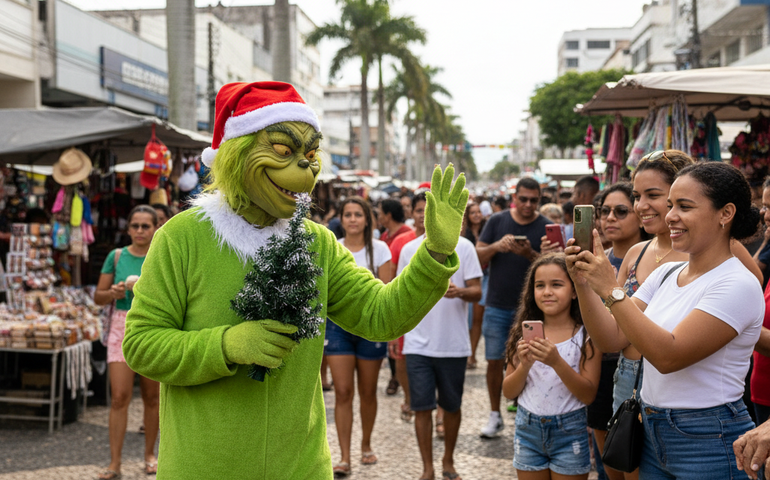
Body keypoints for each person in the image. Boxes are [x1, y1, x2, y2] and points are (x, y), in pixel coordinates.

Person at [122, 80, 469, 479]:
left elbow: (381, 316)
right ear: (236, 154)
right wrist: (226, 345)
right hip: (204, 468)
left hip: (301, 468)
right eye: (284, 151)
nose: (306, 166)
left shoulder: (317, 242)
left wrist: (435, 253)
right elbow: (142, 345)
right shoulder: (182, 237)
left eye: (310, 153)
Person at [566, 161, 764, 479]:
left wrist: (610, 289)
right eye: (670, 205)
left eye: (684, 206)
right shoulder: (666, 273)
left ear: (725, 213)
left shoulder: (737, 283)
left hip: (708, 437)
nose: (670, 216)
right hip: (653, 429)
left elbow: (668, 356)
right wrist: (583, 282)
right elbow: (611, 338)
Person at [398, 200, 482, 480]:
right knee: (421, 407)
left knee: (452, 406)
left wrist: (460, 292)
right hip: (417, 344)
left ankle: (448, 460)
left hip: (453, 345)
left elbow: (477, 292)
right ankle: (428, 468)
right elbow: (399, 296)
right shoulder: (410, 249)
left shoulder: (465, 247)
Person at [502, 253, 601, 480]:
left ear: (574, 291)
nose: (547, 292)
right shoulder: (522, 334)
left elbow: (588, 395)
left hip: (570, 430)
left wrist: (556, 362)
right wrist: (524, 366)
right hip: (527, 429)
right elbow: (508, 392)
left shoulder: (586, 335)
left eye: (556, 284)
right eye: (540, 285)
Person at [476, 177, 550, 438]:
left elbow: (553, 267)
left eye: (534, 200)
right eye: (524, 199)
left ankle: (527, 412)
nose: (528, 204)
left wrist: (529, 254)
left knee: (533, 362)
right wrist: (498, 246)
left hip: (533, 310)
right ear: (514, 198)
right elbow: (477, 254)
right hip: (497, 304)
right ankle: (494, 414)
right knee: (494, 361)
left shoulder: (545, 225)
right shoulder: (497, 221)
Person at [325, 196, 393, 477]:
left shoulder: (380, 249)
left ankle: (365, 444)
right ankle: (344, 456)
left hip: (370, 328)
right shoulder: (332, 247)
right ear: (341, 219)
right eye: (347, 214)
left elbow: (386, 292)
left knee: (367, 391)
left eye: (358, 214)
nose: (352, 219)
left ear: (367, 219)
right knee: (342, 392)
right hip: (337, 328)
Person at [94, 205, 160, 479]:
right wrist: (112, 292)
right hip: (121, 326)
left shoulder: (161, 254)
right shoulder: (116, 256)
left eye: (146, 226)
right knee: (119, 397)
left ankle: (150, 455)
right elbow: (98, 297)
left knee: (152, 397)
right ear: (128, 228)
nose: (140, 231)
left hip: (152, 326)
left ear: (155, 228)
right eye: (135, 225)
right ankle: (115, 463)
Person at [589, 182, 648, 480]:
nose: (610, 218)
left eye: (621, 211)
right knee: (610, 459)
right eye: (604, 211)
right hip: (601, 363)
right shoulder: (598, 259)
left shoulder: (652, 257)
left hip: (641, 368)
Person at [387, 194, 424, 422]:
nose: (423, 215)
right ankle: (410, 399)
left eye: (428, 211)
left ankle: (439, 412)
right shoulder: (402, 243)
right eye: (419, 210)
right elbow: (392, 281)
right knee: (401, 357)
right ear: (412, 213)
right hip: (407, 312)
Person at [462, 201, 487, 370]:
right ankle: (466, 352)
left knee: (478, 319)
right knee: (468, 319)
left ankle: (472, 354)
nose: (477, 215)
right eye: (473, 212)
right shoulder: (465, 234)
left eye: (478, 212)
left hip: (486, 276)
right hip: (468, 278)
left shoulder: (486, 229)